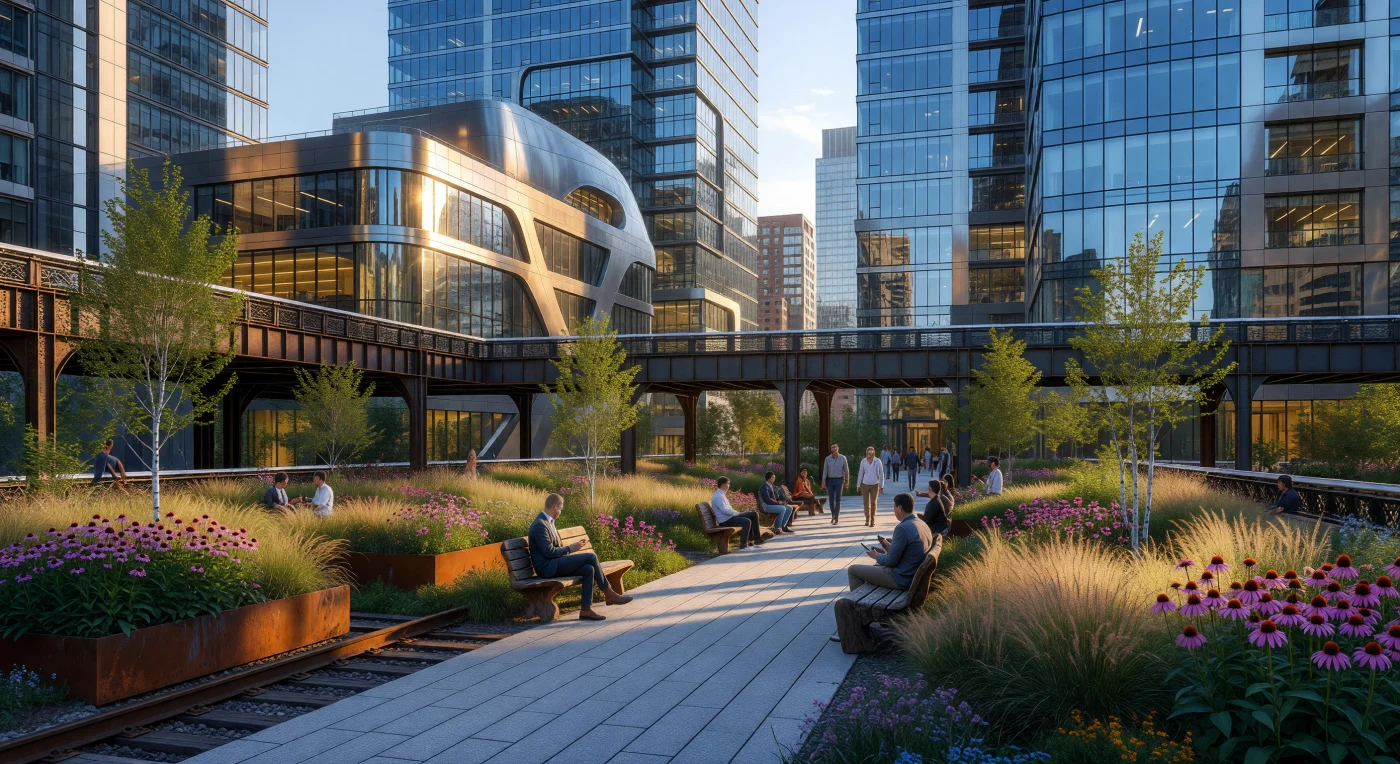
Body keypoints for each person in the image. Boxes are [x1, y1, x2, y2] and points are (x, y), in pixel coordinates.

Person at [529, 493, 633, 620]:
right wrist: (570, 549)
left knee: (589, 569)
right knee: (591, 557)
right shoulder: (540, 525)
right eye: (561, 509)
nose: (561, 512)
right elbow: (549, 552)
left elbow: (554, 548)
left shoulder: (549, 522)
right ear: (554, 507)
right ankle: (609, 593)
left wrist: (573, 546)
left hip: (554, 563)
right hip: (547, 568)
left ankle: (586, 609)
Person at [847, 492, 935, 592]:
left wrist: (876, 556)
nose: (893, 510)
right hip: (912, 575)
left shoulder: (902, 528)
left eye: (894, 507)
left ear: (899, 508)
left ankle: (858, 604)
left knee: (853, 570)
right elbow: (909, 549)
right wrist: (890, 546)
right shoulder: (922, 523)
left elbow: (891, 561)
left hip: (901, 578)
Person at [712, 477, 764, 549]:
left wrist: (737, 513)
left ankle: (756, 539)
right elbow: (725, 511)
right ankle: (743, 544)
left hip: (729, 517)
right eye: (728, 483)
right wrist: (737, 514)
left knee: (754, 514)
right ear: (724, 485)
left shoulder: (721, 494)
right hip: (725, 521)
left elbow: (728, 509)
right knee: (746, 521)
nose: (729, 485)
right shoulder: (718, 496)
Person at [821, 444, 850, 525]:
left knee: (838, 499)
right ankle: (833, 515)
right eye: (833, 450)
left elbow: (846, 470)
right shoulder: (827, 459)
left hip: (839, 480)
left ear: (838, 450)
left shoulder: (843, 458)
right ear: (831, 450)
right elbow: (825, 470)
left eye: (835, 450)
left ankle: (836, 517)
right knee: (831, 499)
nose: (834, 452)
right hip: (830, 480)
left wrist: (847, 481)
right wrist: (823, 481)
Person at [857, 447, 884, 528]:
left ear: (873, 453)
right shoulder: (863, 461)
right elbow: (860, 473)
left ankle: (872, 520)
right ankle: (867, 519)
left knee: (873, 502)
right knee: (866, 502)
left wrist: (881, 485)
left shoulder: (877, 461)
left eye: (871, 452)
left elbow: (881, 473)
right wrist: (858, 485)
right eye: (868, 452)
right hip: (865, 484)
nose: (869, 454)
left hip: (875, 484)